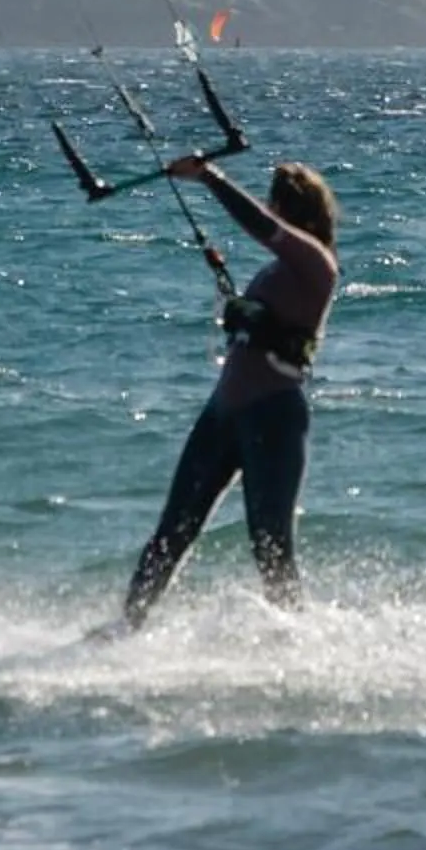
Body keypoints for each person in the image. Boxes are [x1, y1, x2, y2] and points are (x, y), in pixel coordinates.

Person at [121, 156, 339, 626]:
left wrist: (209, 177)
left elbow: (261, 226)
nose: (268, 208)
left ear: (291, 209)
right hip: (223, 415)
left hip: (274, 416)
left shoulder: (317, 265)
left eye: (274, 202)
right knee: (172, 532)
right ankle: (128, 625)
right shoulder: (275, 272)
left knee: (270, 545)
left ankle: (297, 636)